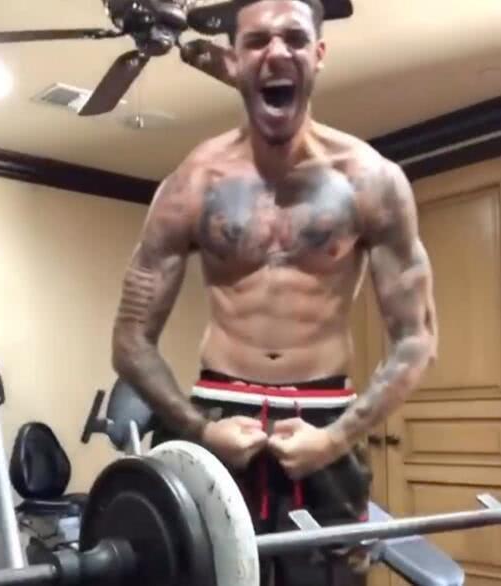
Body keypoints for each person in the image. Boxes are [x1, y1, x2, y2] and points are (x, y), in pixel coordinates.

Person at [111, 0, 438, 583]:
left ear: (319, 54)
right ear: (234, 59)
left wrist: (336, 438)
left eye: (294, 38)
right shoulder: (192, 184)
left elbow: (417, 339)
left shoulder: (371, 181)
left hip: (324, 423)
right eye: (258, 40)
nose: (276, 52)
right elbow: (130, 340)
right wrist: (200, 428)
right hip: (215, 418)